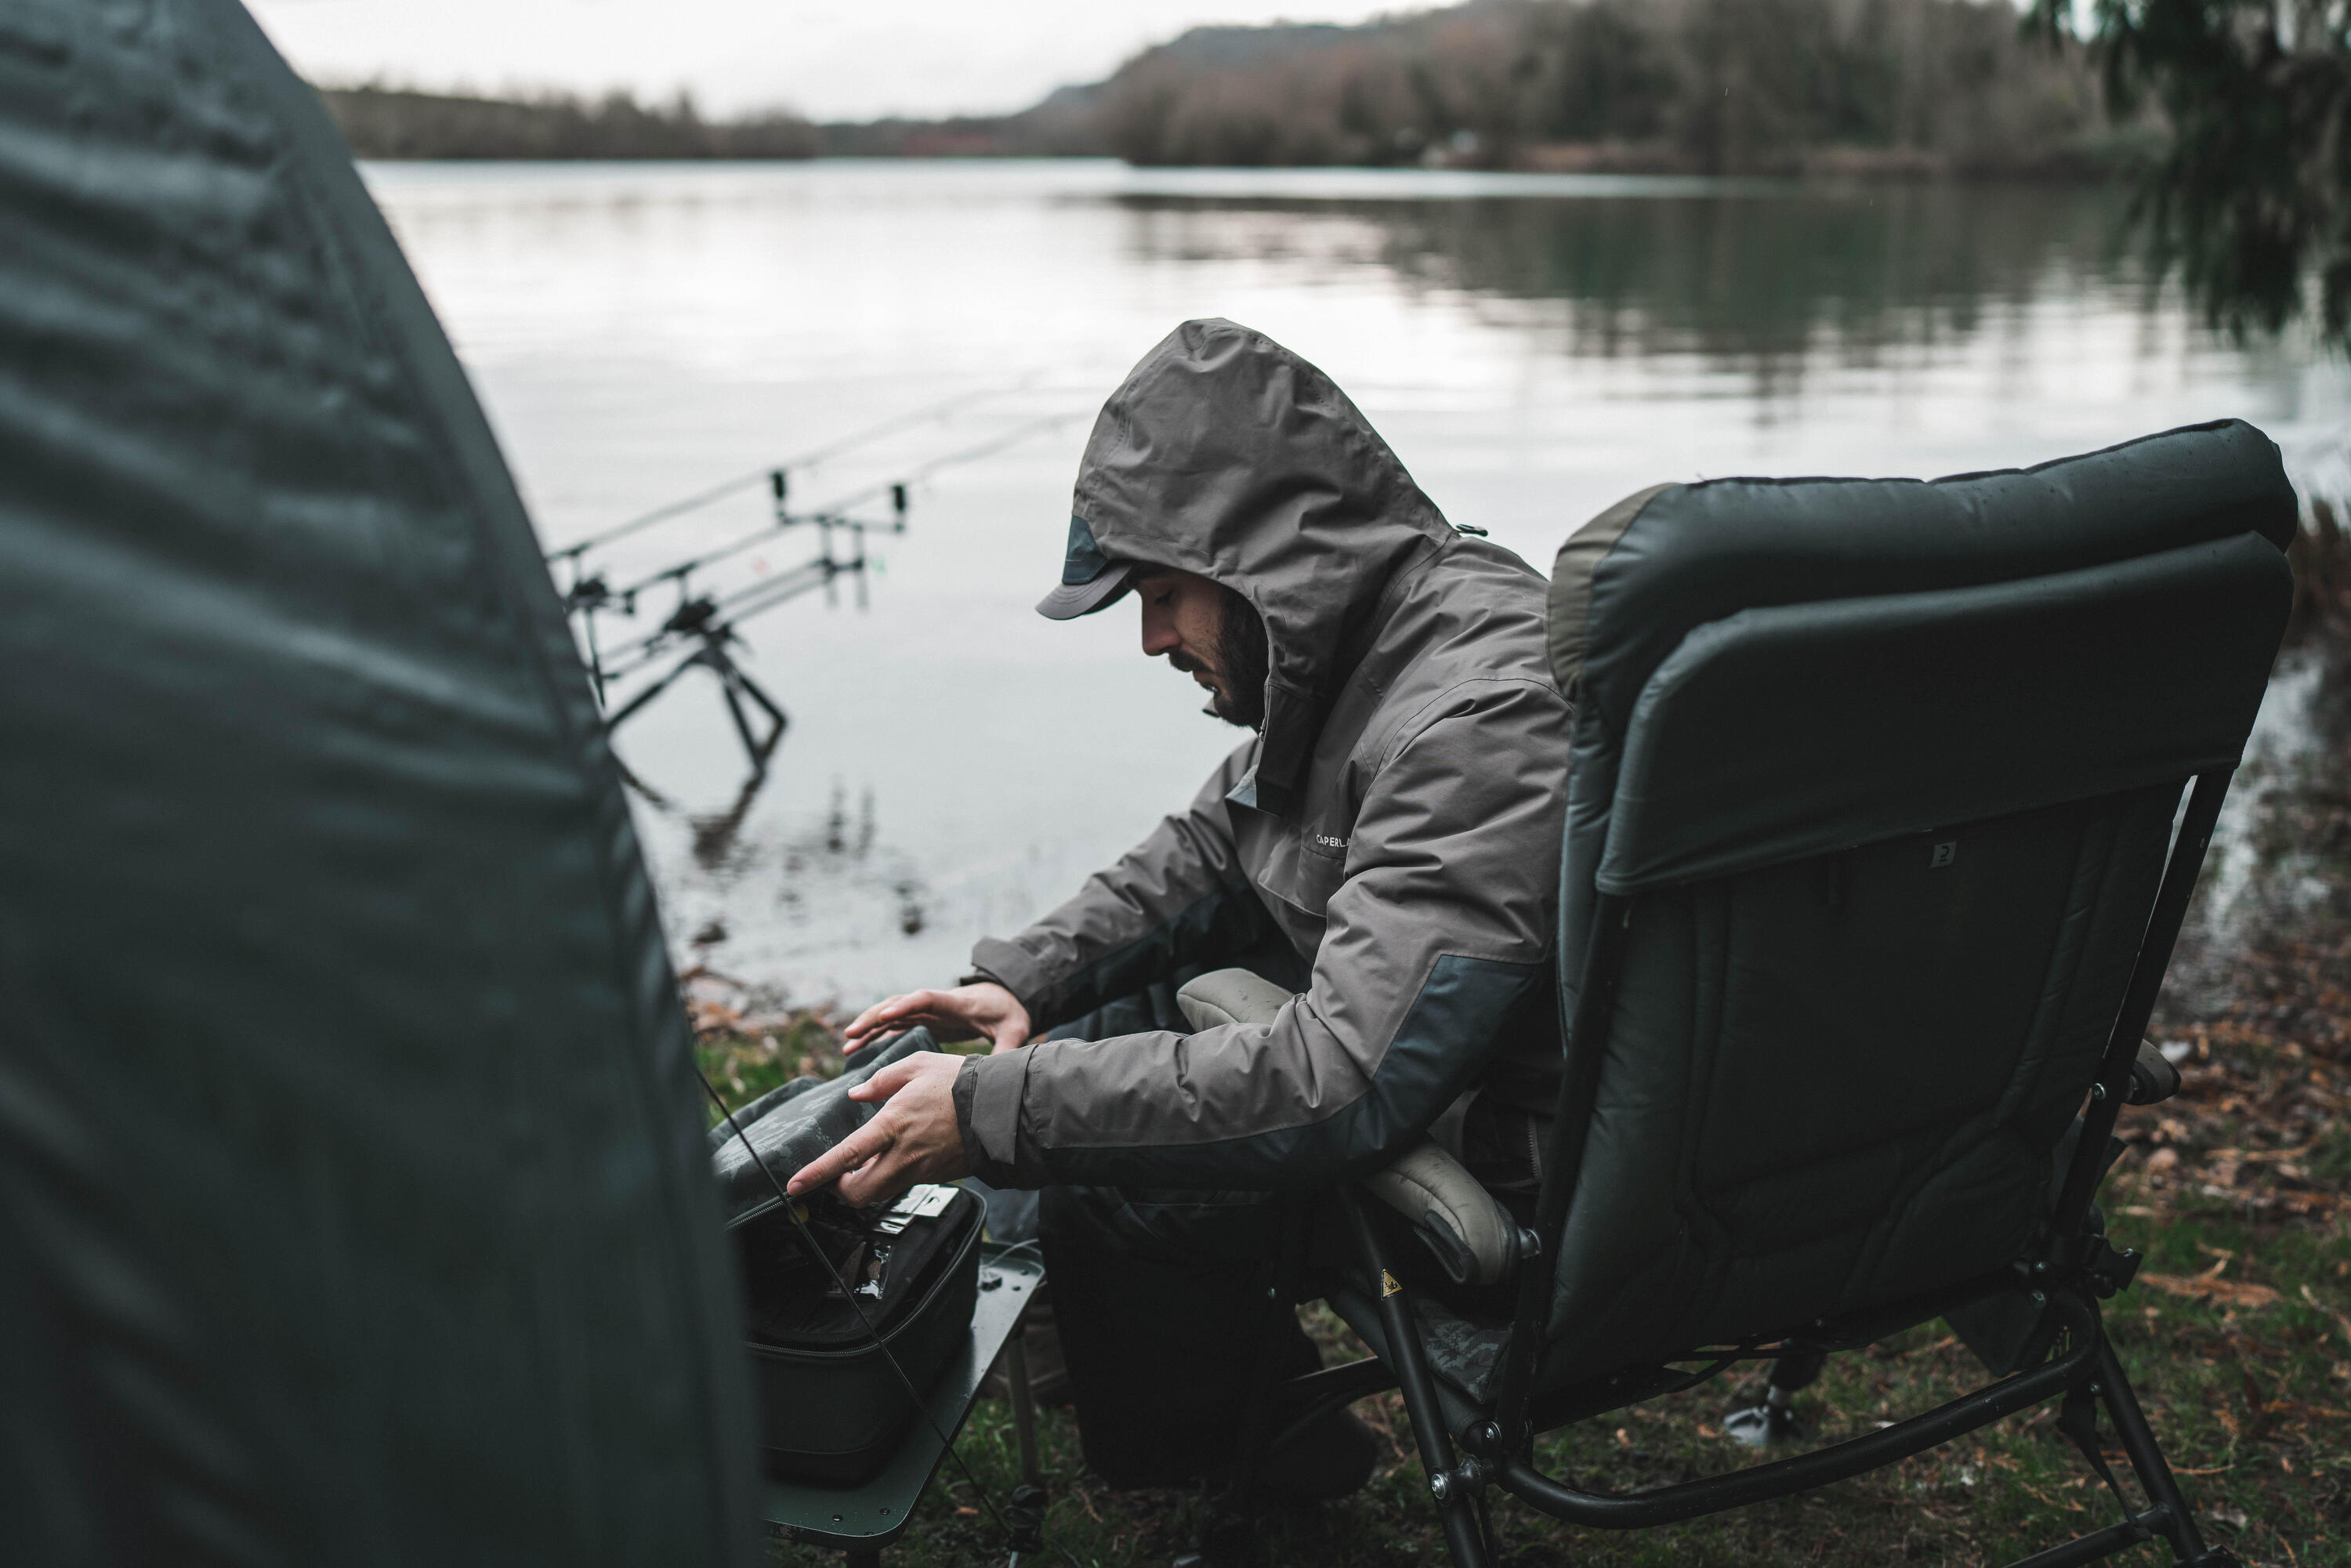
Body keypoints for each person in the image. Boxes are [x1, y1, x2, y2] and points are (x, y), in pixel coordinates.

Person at [789, 317, 1570, 1499]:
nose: (1152, 638)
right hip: (1473, 1051)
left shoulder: (1472, 720)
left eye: (1159, 591)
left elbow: (1342, 1081)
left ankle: (1251, 1472)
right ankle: (1134, 1353)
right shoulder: (1397, 629)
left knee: (1118, 1171)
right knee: (1114, 1018)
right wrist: (1029, 978)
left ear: (1256, 560)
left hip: (1510, 1171)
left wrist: (1003, 1108)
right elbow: (1224, 838)